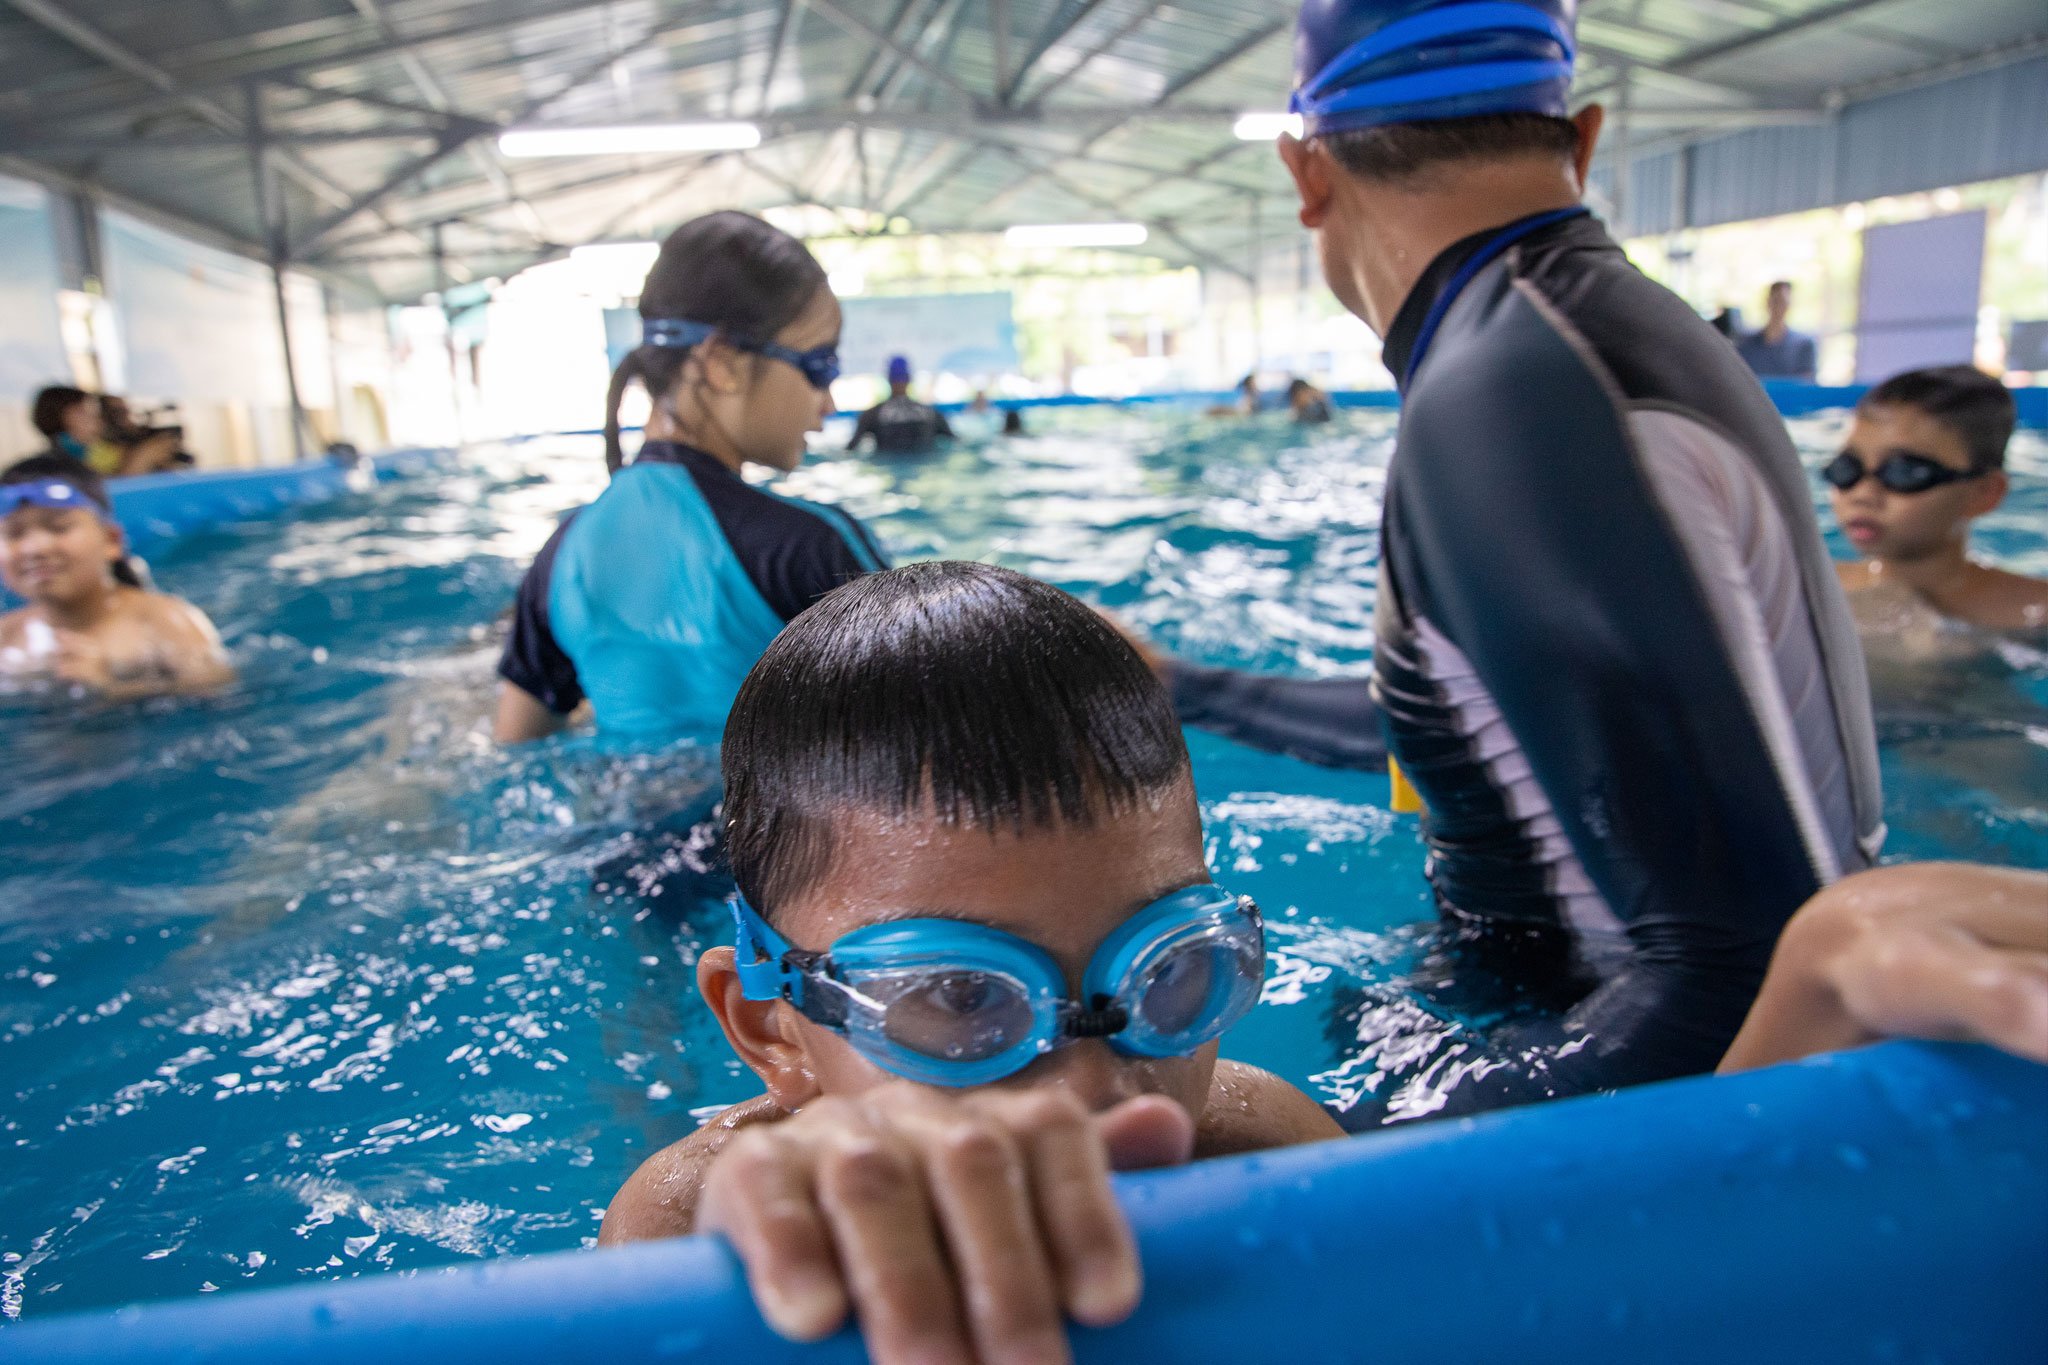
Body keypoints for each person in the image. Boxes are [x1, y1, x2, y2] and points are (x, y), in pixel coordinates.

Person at [596, 560, 2044, 1365]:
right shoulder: (686, 1228)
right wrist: (798, 1242)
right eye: (961, 1003)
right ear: (773, 1032)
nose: (1095, 1094)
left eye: (1168, 975)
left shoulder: (1245, 1137)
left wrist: (1812, 1006)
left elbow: (1557, 1319)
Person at [1159, 0, 1884, 1121]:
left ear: (1305, 172)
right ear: (1580, 138)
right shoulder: (1572, 347)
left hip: (1621, 1116)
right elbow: (1501, 734)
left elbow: (1732, 973)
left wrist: (1335, 1157)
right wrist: (1186, 689)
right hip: (1537, 1012)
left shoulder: (1512, 395)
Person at [493, 212, 887, 743]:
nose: (829, 401)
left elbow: (514, 745)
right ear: (722, 361)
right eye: (819, 366)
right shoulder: (812, 548)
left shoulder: (561, 555)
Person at [1827, 366, 2046, 636]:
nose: (1862, 493)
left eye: (1904, 472)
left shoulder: (2037, 612)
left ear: (1984, 493)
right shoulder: (1811, 589)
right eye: (1847, 467)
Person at [0, 455, 232, 697]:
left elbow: (218, 691)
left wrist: (111, 687)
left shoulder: (165, 622)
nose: (35, 548)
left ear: (111, 540)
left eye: (59, 528)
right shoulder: (5, 637)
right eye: (14, 534)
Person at [30, 387, 180, 477]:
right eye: (83, 412)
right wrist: (140, 460)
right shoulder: (51, 466)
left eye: (95, 412)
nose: (96, 419)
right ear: (58, 417)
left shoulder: (99, 451)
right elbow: (97, 495)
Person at [847, 356, 953, 455]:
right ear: (909, 378)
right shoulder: (932, 413)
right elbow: (954, 441)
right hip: (925, 463)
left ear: (888, 379)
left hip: (887, 464)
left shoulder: (871, 415)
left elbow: (850, 449)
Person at [1734, 281, 1819, 382]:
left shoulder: (1803, 345)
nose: (1779, 307)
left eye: (1783, 302)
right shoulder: (1745, 344)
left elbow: (1806, 383)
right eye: (1775, 301)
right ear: (1768, 302)